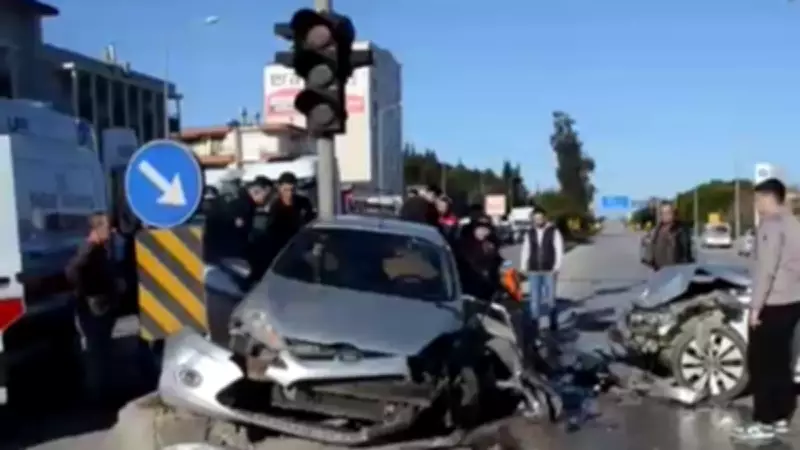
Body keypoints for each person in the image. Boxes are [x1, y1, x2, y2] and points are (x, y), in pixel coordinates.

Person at [732, 178, 800, 443]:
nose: (756, 204)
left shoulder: (770, 226)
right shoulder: (794, 224)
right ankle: (782, 417)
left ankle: (764, 420)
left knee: (762, 364)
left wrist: (755, 308)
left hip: (773, 303)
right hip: (793, 302)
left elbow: (766, 270)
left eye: (758, 199)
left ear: (768, 198)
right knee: (781, 363)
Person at [65, 212, 120, 404]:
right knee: (97, 352)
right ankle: (99, 397)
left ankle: (104, 393)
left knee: (103, 350)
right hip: (94, 305)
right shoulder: (89, 249)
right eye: (108, 227)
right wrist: (86, 292)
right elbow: (73, 271)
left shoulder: (99, 249)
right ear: (96, 230)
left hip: (100, 304)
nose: (112, 231)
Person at [258, 171, 315, 280]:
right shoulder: (275, 207)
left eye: (292, 190)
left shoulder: (303, 203)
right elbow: (271, 231)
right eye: (286, 190)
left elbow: (311, 223)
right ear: (279, 189)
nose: (289, 193)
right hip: (281, 251)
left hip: (302, 249)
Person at [519, 207, 564, 333]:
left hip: (549, 270)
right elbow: (526, 250)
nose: (538, 220)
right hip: (534, 270)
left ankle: (553, 323)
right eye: (535, 218)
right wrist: (523, 266)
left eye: (540, 218)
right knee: (534, 300)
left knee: (550, 299)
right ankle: (535, 325)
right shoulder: (530, 233)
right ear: (533, 219)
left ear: (545, 218)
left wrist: (557, 266)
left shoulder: (553, 231)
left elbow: (559, 249)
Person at [641, 201, 694, 270]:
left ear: (674, 213)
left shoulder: (681, 230)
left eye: (668, 212)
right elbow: (646, 243)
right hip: (658, 270)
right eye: (662, 213)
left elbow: (686, 253)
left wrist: (683, 269)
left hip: (675, 271)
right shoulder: (657, 229)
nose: (665, 215)